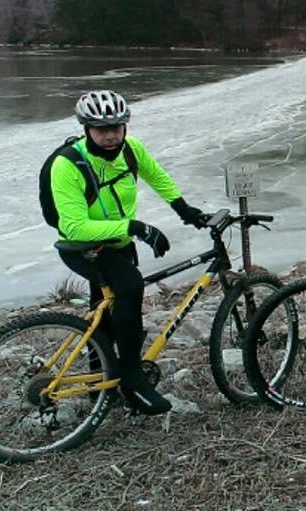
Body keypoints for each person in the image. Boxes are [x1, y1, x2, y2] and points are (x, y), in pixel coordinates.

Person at [49, 90, 208, 414]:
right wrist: (135, 228)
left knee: (106, 311)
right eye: (100, 128)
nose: (110, 135)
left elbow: (157, 176)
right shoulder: (67, 164)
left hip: (118, 243)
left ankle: (100, 387)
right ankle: (131, 376)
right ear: (86, 129)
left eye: (116, 127)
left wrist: (185, 210)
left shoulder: (131, 150)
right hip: (82, 246)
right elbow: (75, 226)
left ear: (125, 127)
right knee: (131, 287)